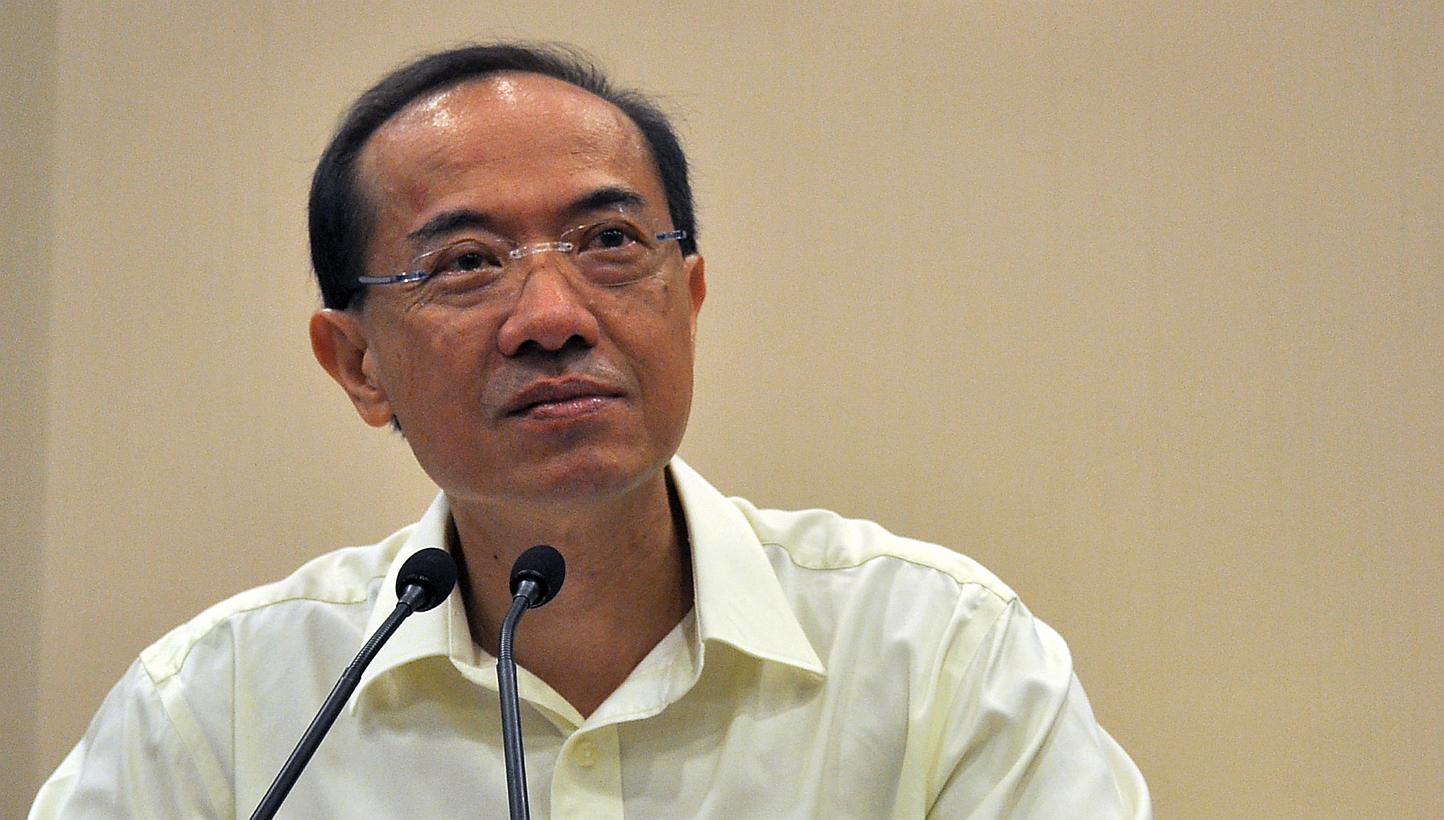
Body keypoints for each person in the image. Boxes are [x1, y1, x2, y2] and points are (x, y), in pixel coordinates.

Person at [31, 43, 1150, 818]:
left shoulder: (937, 659)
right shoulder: (216, 712)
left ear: (691, 297)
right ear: (358, 363)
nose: (555, 317)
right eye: (466, 264)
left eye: (610, 242)